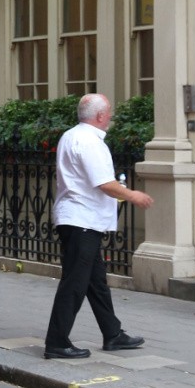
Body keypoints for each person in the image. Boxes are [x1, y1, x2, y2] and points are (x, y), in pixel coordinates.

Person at [44, 93, 155, 359]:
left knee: (96, 282)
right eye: (110, 113)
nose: (111, 117)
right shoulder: (90, 142)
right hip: (82, 219)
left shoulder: (71, 136)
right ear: (101, 116)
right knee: (75, 282)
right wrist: (133, 195)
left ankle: (113, 334)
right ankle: (57, 341)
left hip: (79, 218)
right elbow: (103, 182)